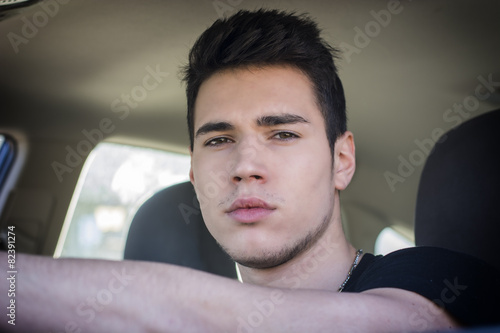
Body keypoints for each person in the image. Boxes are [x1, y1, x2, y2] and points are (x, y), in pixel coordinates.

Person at [2, 9, 499, 332]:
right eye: (218, 140)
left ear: (341, 161)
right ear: (194, 175)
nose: (245, 167)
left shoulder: (434, 279)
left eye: (282, 134)